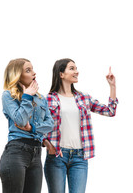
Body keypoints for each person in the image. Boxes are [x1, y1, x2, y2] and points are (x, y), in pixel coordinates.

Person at [43, 58, 118, 193]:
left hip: (80, 157)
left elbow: (110, 111)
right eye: (72, 68)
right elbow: (39, 127)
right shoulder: (49, 99)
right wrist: (47, 144)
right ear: (61, 74)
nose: (77, 71)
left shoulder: (84, 98)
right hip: (57, 157)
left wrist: (112, 87)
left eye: (76, 68)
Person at [0, 58, 54, 193]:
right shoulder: (8, 96)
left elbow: (50, 124)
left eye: (32, 69)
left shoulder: (41, 99)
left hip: (36, 155)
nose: (34, 73)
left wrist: (32, 128)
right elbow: (21, 121)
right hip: (16, 151)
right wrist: (27, 96)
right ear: (17, 75)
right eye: (28, 70)